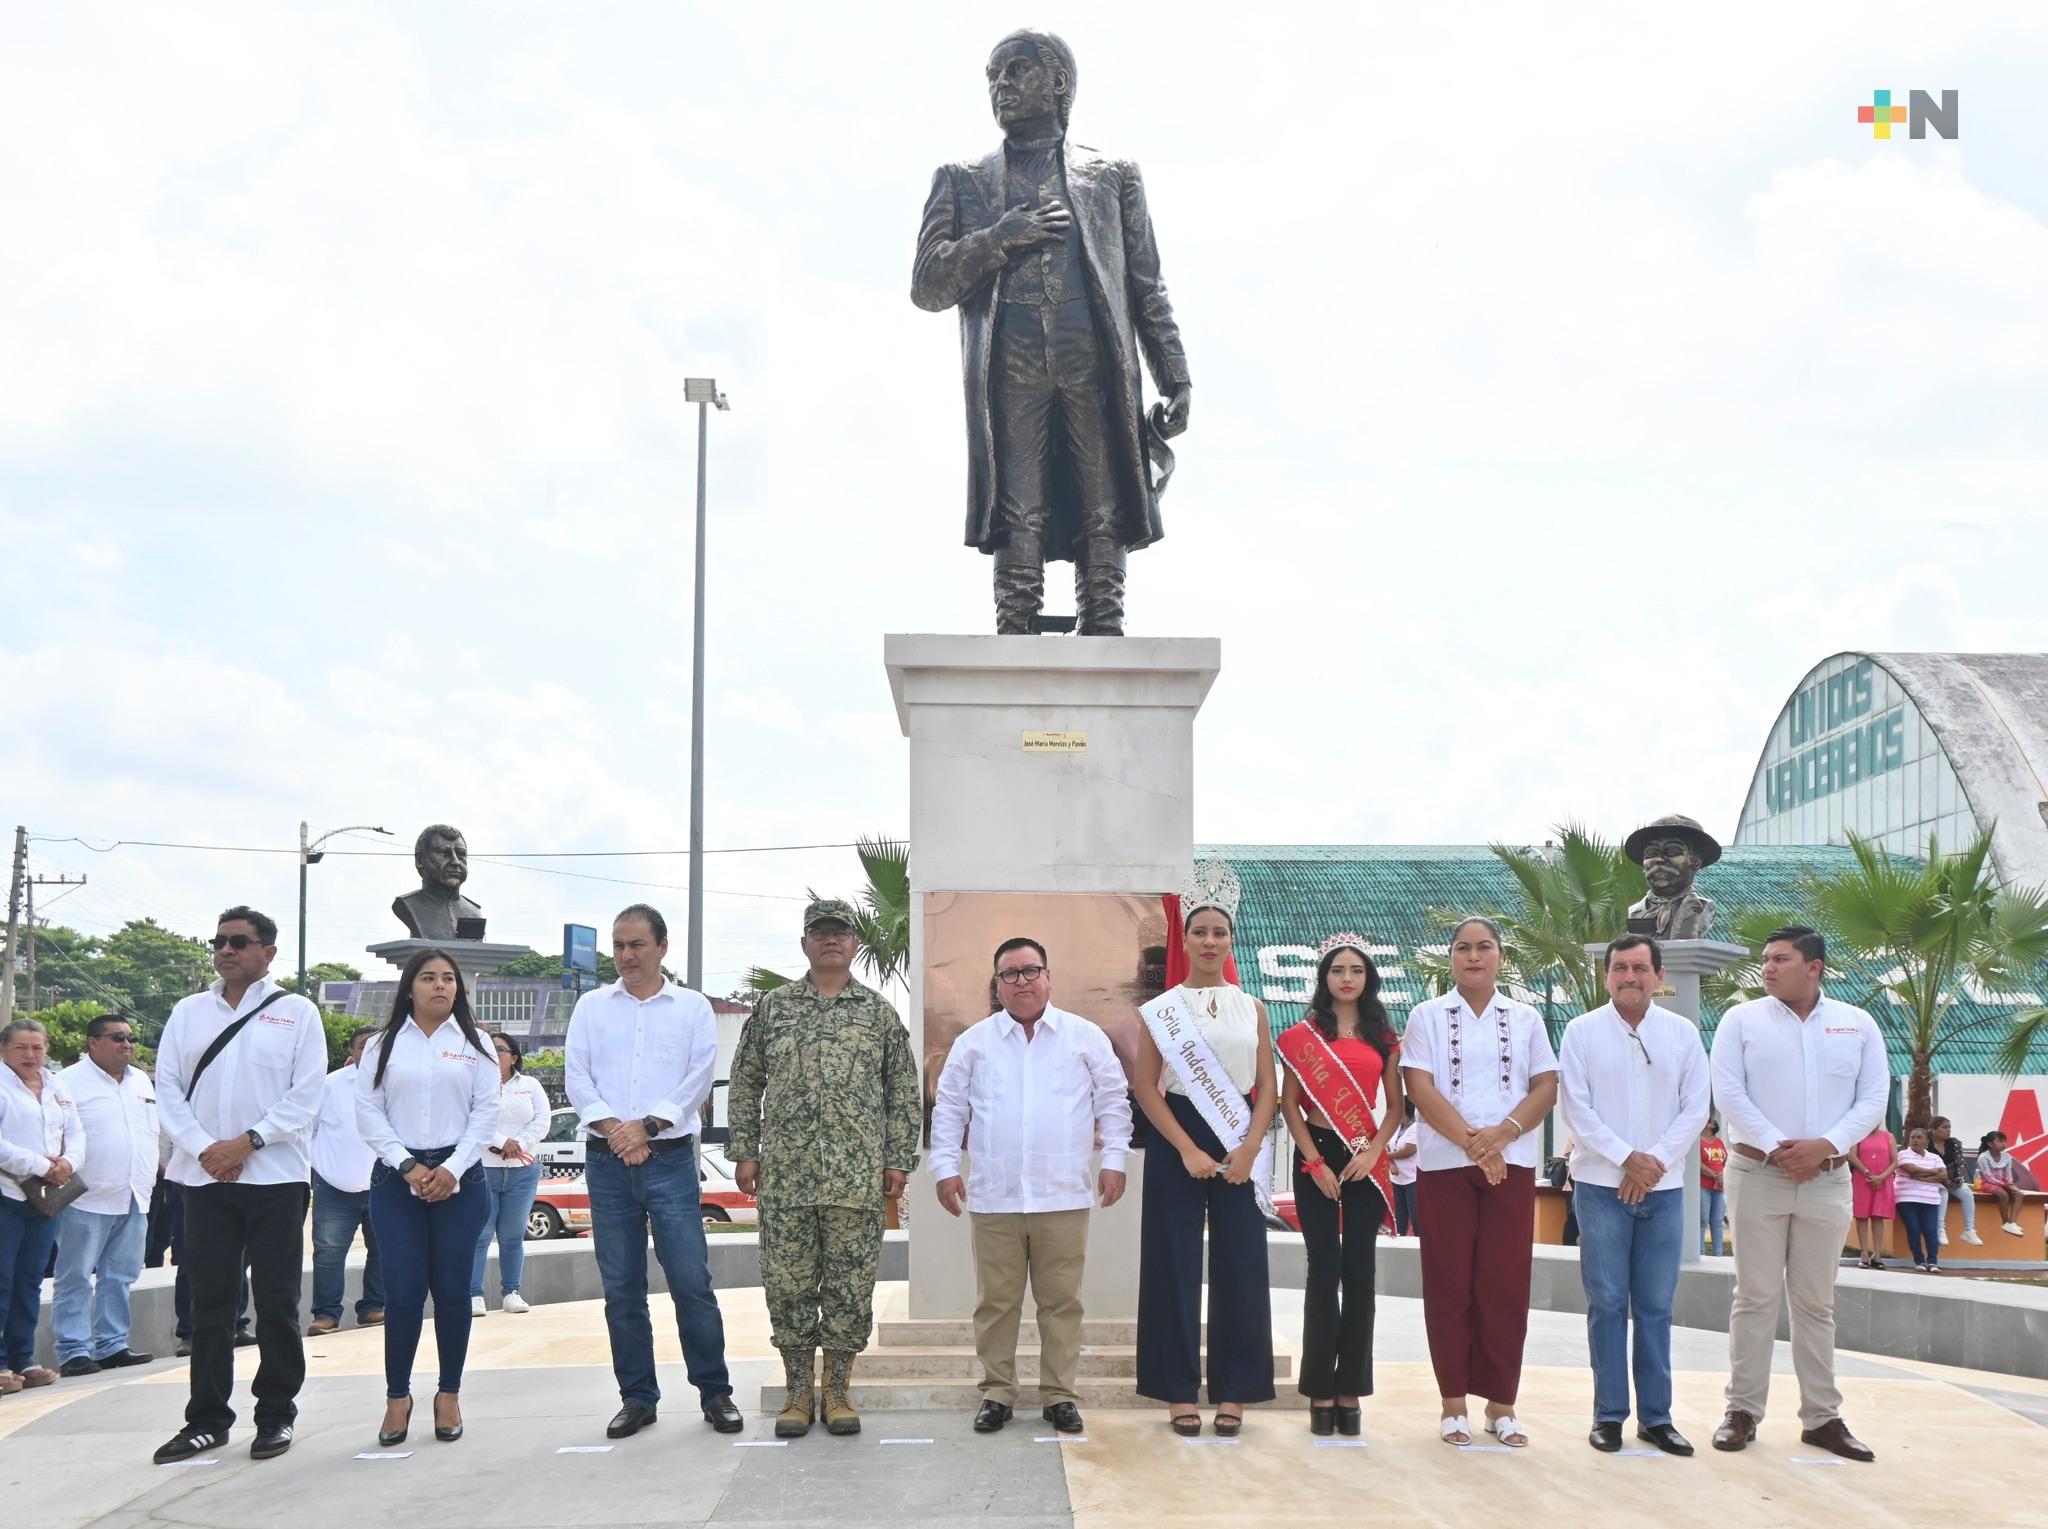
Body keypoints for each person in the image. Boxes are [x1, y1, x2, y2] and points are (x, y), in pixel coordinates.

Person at [911, 28, 1191, 635]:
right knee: (1018, 503)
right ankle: (1015, 624)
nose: (1000, 86)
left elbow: (1146, 284)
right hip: (1008, 364)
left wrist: (1174, 373)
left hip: (1091, 358)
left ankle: (1104, 621)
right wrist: (997, 238)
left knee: (1103, 497)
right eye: (993, 75)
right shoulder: (960, 179)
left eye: (1015, 71)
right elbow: (927, 284)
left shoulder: (1112, 176)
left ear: (1057, 83)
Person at [729, 898, 921, 1438]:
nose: (831, 940)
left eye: (840, 933)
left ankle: (836, 1390)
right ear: (805, 944)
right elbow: (746, 1080)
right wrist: (746, 1148)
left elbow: (902, 1091)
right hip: (786, 1176)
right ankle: (797, 1392)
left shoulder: (877, 1012)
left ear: (854, 944)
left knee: (849, 1287)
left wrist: (898, 1160)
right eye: (821, 933)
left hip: (856, 1178)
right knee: (788, 1286)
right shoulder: (774, 1007)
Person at [929, 936, 1133, 1436]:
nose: (1021, 981)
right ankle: (997, 1392)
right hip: (995, 1195)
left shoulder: (1084, 1036)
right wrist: (944, 1167)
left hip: (1062, 1193)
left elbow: (1113, 1101)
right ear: (997, 985)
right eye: (1009, 974)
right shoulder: (973, 1043)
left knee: (1062, 1301)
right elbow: (950, 1109)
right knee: (996, 1301)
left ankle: (1059, 1395)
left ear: (1048, 977)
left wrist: (1115, 1160)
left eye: (1030, 970)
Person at [151, 906, 326, 1464]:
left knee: (275, 1300)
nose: (226, 950)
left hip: (274, 1177)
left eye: (239, 942)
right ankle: (206, 1420)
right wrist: (207, 1148)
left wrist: (245, 1143)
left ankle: (275, 1414)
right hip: (202, 1179)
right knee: (211, 1304)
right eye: (219, 940)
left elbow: (306, 1095)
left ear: (268, 953)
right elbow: (169, 1088)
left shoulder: (297, 1013)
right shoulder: (188, 1012)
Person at [1709, 925, 1886, 1462]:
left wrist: (1827, 1145)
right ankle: (1741, 1411)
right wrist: (1776, 1146)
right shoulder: (1741, 1020)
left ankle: (1822, 1418)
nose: (1766, 968)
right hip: (1757, 1174)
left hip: (1829, 1179)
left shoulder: (1856, 1024)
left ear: (1814, 967)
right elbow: (1728, 1092)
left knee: (1816, 1303)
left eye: (1780, 959)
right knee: (1755, 1297)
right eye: (1765, 958)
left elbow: (1874, 1097)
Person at [565, 904, 742, 1439]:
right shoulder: (591, 1007)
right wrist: (618, 1130)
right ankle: (638, 1397)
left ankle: (715, 1393)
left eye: (636, 945)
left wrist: (647, 1126)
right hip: (606, 1159)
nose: (626, 956)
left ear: (662, 947)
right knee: (621, 1288)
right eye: (618, 946)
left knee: (691, 1281)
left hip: (668, 1159)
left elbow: (699, 1075)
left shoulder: (690, 1008)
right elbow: (577, 1076)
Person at [1400, 916, 1559, 1449]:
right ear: (1450, 958)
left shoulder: (1527, 1017)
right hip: (1444, 1165)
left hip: (1510, 1166)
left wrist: (1503, 1136)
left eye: (1484, 947)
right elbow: (1419, 1086)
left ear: (1500, 957)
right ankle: (1453, 1404)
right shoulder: (1426, 1015)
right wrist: (1475, 1144)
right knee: (1448, 1283)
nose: (1473, 956)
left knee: (1506, 1285)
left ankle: (1502, 1404)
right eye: (1463, 948)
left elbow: (1544, 1086)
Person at [1134, 860, 1277, 1437]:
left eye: (1219, 932)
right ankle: (1176, 1391)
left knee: (1242, 1263)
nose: (1210, 941)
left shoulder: (1253, 1007)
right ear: (1185, 939)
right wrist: (1188, 1149)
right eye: (1200, 931)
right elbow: (1146, 1086)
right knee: (1172, 1262)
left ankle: (1235, 1390)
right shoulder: (1161, 1010)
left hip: (1239, 1131)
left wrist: (1246, 1149)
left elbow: (1267, 1086)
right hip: (1178, 1137)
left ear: (1231, 940)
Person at [1558, 934, 1711, 1456]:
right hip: (1601, 1190)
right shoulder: (1581, 1033)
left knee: (1654, 1306)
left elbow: (1696, 1107)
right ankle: (1608, 1415)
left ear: (1658, 977)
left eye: (1640, 968)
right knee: (1606, 1303)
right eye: (1620, 967)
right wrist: (1628, 1159)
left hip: (1664, 1191)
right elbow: (1577, 1109)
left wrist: (1653, 1164)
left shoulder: (1683, 1034)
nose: (1630, 976)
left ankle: (1657, 1417)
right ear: (1606, 976)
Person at [356, 949, 497, 1445]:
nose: (441, 986)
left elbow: (486, 1114)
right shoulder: (382, 1045)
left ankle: (448, 1395)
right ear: (409, 987)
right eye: (429, 978)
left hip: (462, 1180)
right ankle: (398, 1398)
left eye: (449, 979)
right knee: (404, 1293)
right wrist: (411, 1167)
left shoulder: (476, 1044)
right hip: (399, 1179)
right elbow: (369, 1113)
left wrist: (451, 1169)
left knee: (455, 1292)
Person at [1276, 934, 1403, 1437]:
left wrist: (1373, 1150)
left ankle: (1350, 1388)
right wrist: (1314, 1162)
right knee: (1322, 1270)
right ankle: (1319, 1391)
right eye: (1337, 970)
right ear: (1324, 978)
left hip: (1365, 1158)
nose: (1346, 977)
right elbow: (1290, 1106)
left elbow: (1395, 1106)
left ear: (1368, 978)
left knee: (1361, 1274)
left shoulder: (1383, 1036)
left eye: (1355, 970)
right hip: (1319, 1156)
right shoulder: (1304, 1035)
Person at [51, 1014, 158, 1374]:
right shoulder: (65, 1083)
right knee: (76, 1276)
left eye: (130, 1037)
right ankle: (73, 1351)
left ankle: (112, 1345)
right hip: (85, 1198)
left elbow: (150, 1131)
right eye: (117, 1038)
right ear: (92, 1042)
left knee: (121, 1275)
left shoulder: (141, 1080)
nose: (127, 1044)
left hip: (134, 1194)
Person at [0, 1018, 84, 1394]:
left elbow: (76, 1133)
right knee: (1, 1281)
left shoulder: (58, 1086)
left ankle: (23, 1359)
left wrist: (69, 1163)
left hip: (46, 1199)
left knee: (29, 1281)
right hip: (7, 1192)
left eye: (37, 1047)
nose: (30, 1055)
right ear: (4, 1049)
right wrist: (42, 1165)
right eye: (21, 1047)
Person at [308, 1027, 384, 1336]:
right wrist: (318, 1170)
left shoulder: (393, 1085)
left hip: (382, 1184)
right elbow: (308, 1131)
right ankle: (326, 1314)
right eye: (364, 1046)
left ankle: (373, 1308)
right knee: (328, 1252)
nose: (370, 1051)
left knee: (384, 1249)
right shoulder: (329, 1085)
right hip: (333, 1186)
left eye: (376, 1045)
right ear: (351, 1053)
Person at [472, 1031, 549, 1316]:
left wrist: (520, 1145)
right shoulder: (475, 1086)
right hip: (484, 1169)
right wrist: (501, 1142)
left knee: (513, 1235)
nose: (494, 1054)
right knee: (480, 1235)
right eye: (488, 1050)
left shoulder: (530, 1085)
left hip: (522, 1171)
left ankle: (511, 1292)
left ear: (513, 1057)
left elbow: (542, 1119)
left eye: (501, 1050)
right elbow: (472, 1119)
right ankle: (474, 1294)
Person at [1893, 1127, 1946, 1271]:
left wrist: (1921, 1177)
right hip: (1907, 1198)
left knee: (1931, 1230)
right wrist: (1933, 1172)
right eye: (1912, 1137)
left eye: (1919, 1137)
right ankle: (1919, 1261)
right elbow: (1912, 1170)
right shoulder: (1903, 1154)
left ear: (1926, 1141)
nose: (1915, 1140)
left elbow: (1943, 1175)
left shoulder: (1934, 1157)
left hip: (1931, 1200)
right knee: (1914, 1229)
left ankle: (1933, 1262)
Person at [1928, 1116, 1981, 1247]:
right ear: (1933, 1130)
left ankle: (1969, 1230)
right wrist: (1942, 1179)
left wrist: (1957, 1179)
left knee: (1967, 1194)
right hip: (1934, 1180)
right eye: (1944, 1127)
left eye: (1949, 1127)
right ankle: (1940, 1229)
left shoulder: (1953, 1143)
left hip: (1952, 1179)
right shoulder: (1927, 1144)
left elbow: (1959, 1164)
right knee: (1943, 1193)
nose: (1948, 1130)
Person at [1850, 1123, 1898, 1269]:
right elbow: (1851, 1155)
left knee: (1878, 1216)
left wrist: (1881, 1177)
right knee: (1861, 1216)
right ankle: (1864, 1253)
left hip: (1882, 1181)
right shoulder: (1858, 1134)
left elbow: (1894, 1161)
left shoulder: (1889, 1137)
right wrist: (1868, 1173)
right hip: (1862, 1180)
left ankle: (1877, 1255)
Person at [1976, 1131, 2026, 1235]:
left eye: (2004, 1141)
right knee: (2003, 1195)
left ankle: (2012, 1223)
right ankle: (2005, 1222)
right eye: (2000, 1141)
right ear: (1990, 1144)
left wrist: (2009, 1183)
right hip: (1986, 1183)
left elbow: (2008, 1173)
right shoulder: (1983, 1157)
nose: (2004, 1144)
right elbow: (1987, 1176)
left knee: (2019, 1194)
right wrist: (2003, 1185)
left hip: (2002, 1183)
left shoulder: (2007, 1157)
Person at [1387, 1104, 1421, 1237]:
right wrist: (1390, 1163)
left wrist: (1386, 1156)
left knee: (1415, 1215)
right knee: (1399, 1215)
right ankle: (1400, 1240)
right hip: (1396, 1179)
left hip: (1412, 1178)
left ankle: (1419, 1242)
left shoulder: (1415, 1127)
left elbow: (1408, 1151)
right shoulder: (1396, 1128)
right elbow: (1386, 1146)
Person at [1700, 1118, 1729, 1256]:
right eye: (1711, 1120)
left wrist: (1723, 1174)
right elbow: (1697, 1163)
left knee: (1717, 1220)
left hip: (1719, 1188)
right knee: (1703, 1220)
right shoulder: (1698, 1142)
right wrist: (1714, 1174)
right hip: (1703, 1186)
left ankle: (1718, 1253)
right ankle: (1700, 1252)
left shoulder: (1719, 1142)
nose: (1714, 1122)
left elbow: (1725, 1161)